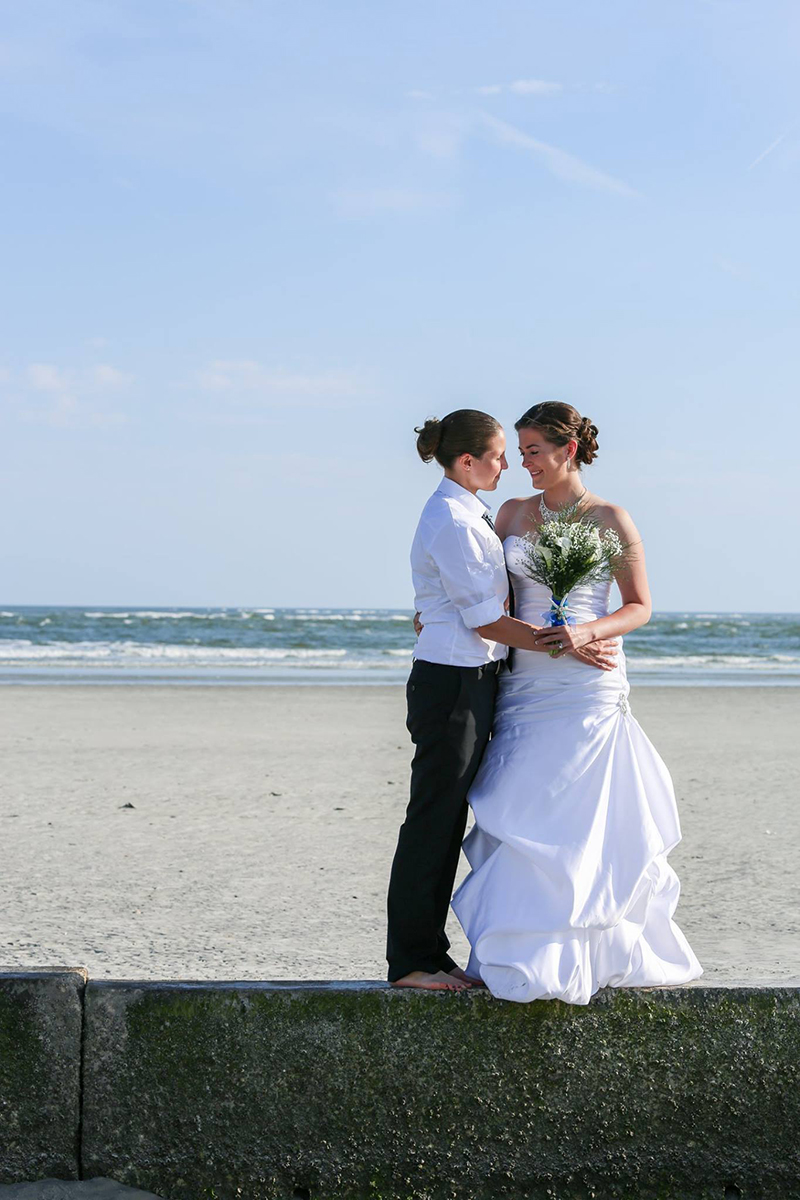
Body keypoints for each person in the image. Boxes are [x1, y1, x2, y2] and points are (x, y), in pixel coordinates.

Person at [451, 401, 703, 1004]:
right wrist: (434, 612)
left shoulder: (612, 518)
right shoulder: (509, 514)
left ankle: (596, 947)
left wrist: (587, 632)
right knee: (519, 804)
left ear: (567, 451)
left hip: (589, 685)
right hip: (527, 685)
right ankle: (514, 951)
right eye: (519, 451)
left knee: (586, 815)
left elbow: (640, 605)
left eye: (533, 451)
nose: (522, 463)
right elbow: (479, 589)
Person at [386, 408, 617, 991]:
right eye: (499, 454)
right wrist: (565, 644)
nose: (509, 464)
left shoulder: (473, 514)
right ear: (468, 460)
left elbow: (477, 596)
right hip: (452, 682)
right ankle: (414, 960)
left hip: (476, 678)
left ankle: (431, 956)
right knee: (433, 817)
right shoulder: (457, 521)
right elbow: (488, 620)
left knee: (447, 814)